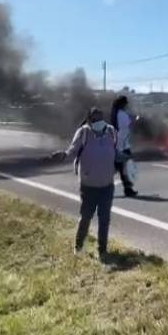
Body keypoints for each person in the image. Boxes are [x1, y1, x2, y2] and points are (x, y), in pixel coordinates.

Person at [52, 108, 118, 257]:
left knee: (104, 219)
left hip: (107, 186)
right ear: (89, 120)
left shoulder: (112, 132)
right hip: (89, 187)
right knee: (86, 217)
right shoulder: (83, 133)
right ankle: (79, 247)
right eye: (95, 119)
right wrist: (63, 155)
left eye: (100, 118)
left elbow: (116, 152)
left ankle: (102, 250)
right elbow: (72, 151)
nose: (98, 122)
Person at [110, 95, 138, 197]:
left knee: (119, 168)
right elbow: (129, 126)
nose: (127, 105)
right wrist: (135, 120)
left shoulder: (115, 113)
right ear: (123, 104)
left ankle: (128, 189)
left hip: (117, 145)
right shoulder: (122, 115)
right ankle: (128, 189)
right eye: (126, 103)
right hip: (122, 146)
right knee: (125, 168)